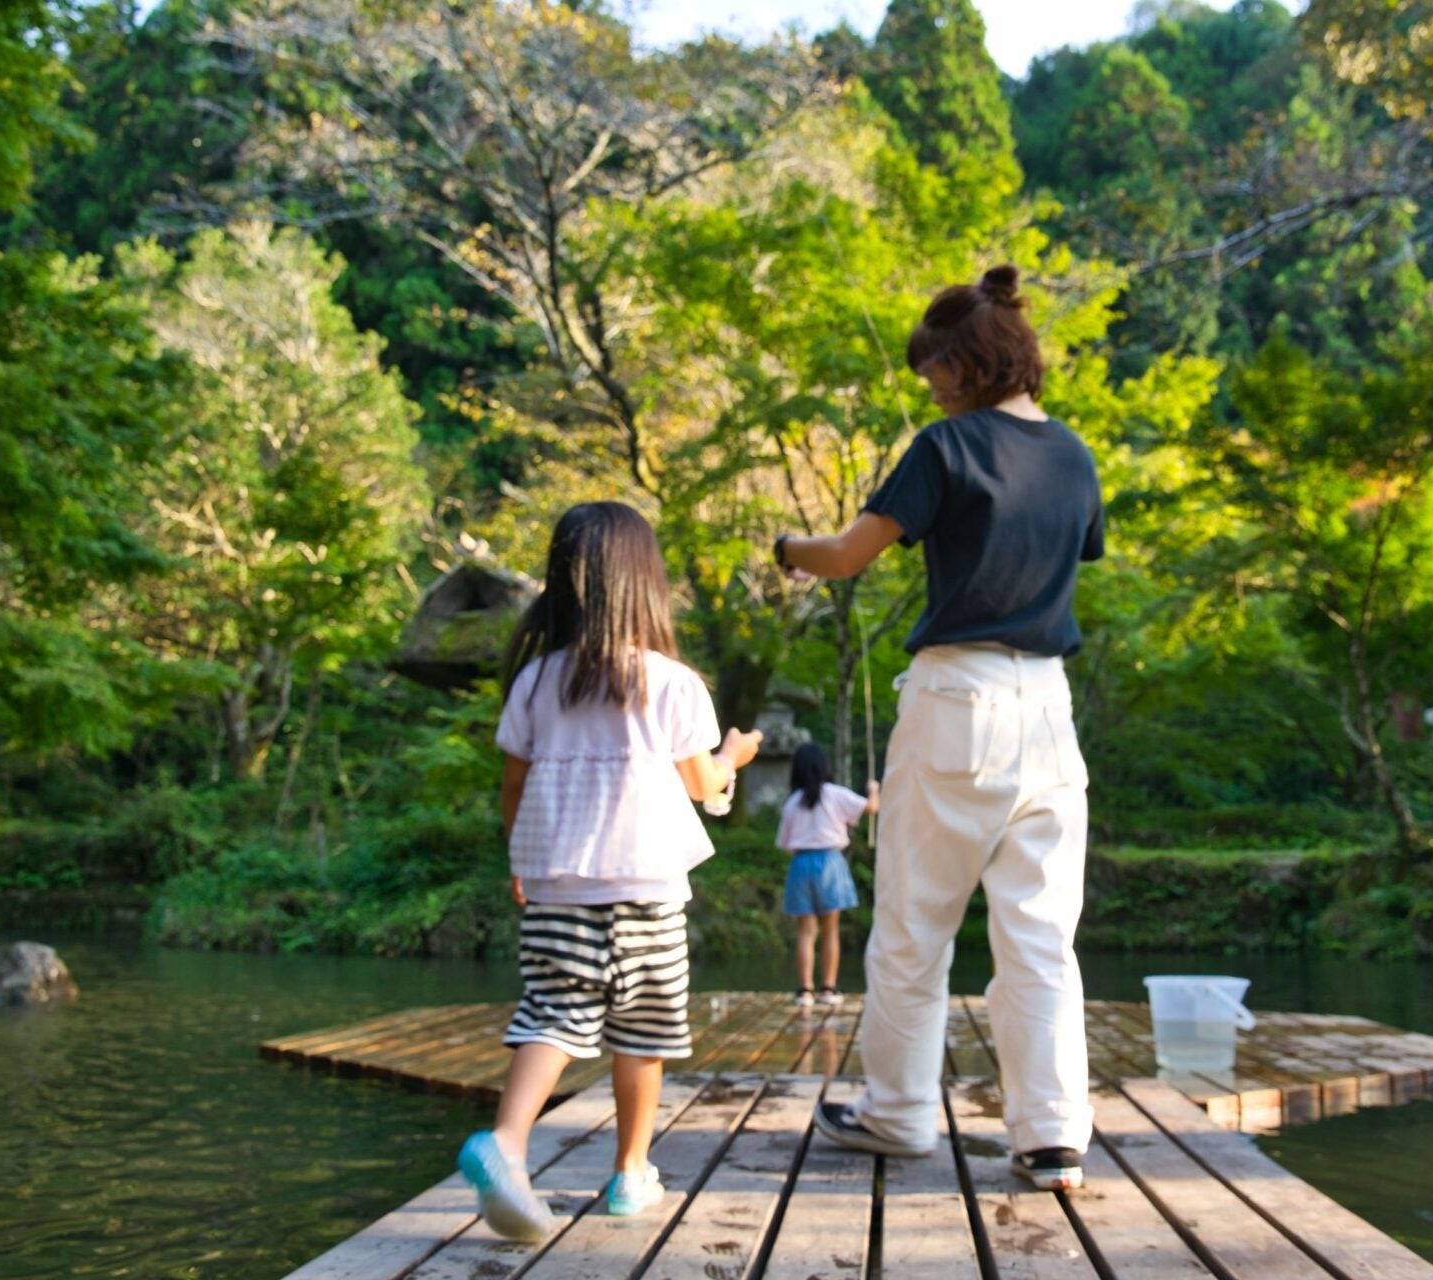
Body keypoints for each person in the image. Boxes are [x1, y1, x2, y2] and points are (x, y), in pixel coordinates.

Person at [771, 265, 1102, 1192]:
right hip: (1049, 710)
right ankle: (1050, 1140)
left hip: (958, 701)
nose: (931, 388)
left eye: (936, 373)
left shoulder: (946, 446)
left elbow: (844, 557)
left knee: (916, 926)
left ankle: (899, 1115)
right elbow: (1071, 553)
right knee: (1040, 937)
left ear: (971, 363)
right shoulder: (1075, 455)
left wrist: (787, 549)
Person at [456, 501, 763, 1239]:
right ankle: (630, 1175)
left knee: (552, 1017)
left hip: (557, 884)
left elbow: (514, 786)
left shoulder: (536, 681)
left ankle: (505, 1142)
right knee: (644, 1033)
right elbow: (702, 786)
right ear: (645, 583)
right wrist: (733, 758)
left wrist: (520, 858)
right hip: (648, 890)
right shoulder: (671, 682)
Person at [776, 742, 879, 1008]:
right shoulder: (835, 794)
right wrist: (874, 791)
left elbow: (785, 844)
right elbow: (871, 808)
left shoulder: (792, 802)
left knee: (806, 931)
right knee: (830, 930)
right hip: (831, 862)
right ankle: (829, 988)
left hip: (801, 863)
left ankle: (805, 990)